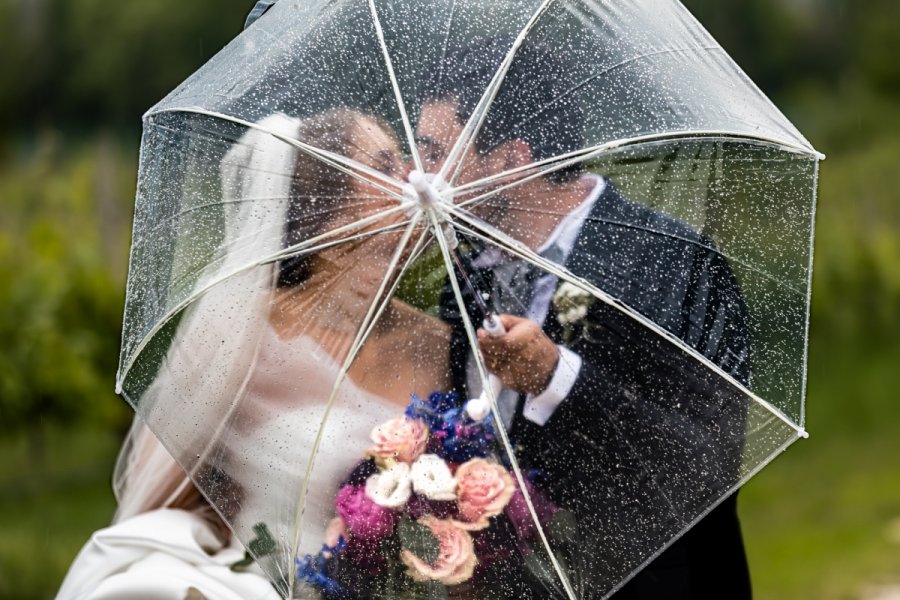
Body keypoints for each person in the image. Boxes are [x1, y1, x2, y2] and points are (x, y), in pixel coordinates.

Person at [58, 108, 451, 599]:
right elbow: (165, 490)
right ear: (332, 216)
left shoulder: (435, 342)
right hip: (253, 579)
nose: (415, 179)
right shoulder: (243, 327)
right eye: (386, 166)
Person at [417, 37, 753, 599]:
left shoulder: (673, 259)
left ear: (511, 160)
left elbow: (708, 464)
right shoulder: (461, 278)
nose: (416, 175)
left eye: (433, 153)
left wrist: (558, 379)